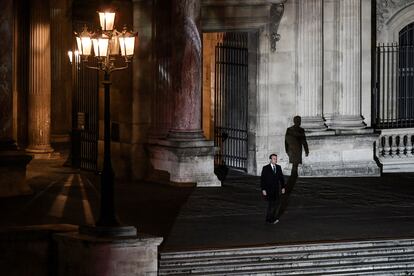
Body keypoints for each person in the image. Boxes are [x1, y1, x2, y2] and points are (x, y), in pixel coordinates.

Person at [261, 153, 285, 224]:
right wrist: (263, 189)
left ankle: (270, 218)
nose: (275, 160)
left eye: (276, 158)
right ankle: (270, 219)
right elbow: (263, 179)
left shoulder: (278, 167)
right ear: (270, 159)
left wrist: (283, 187)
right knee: (271, 205)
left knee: (275, 204)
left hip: (276, 189)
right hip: (269, 190)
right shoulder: (265, 168)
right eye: (274, 158)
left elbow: (281, 178)